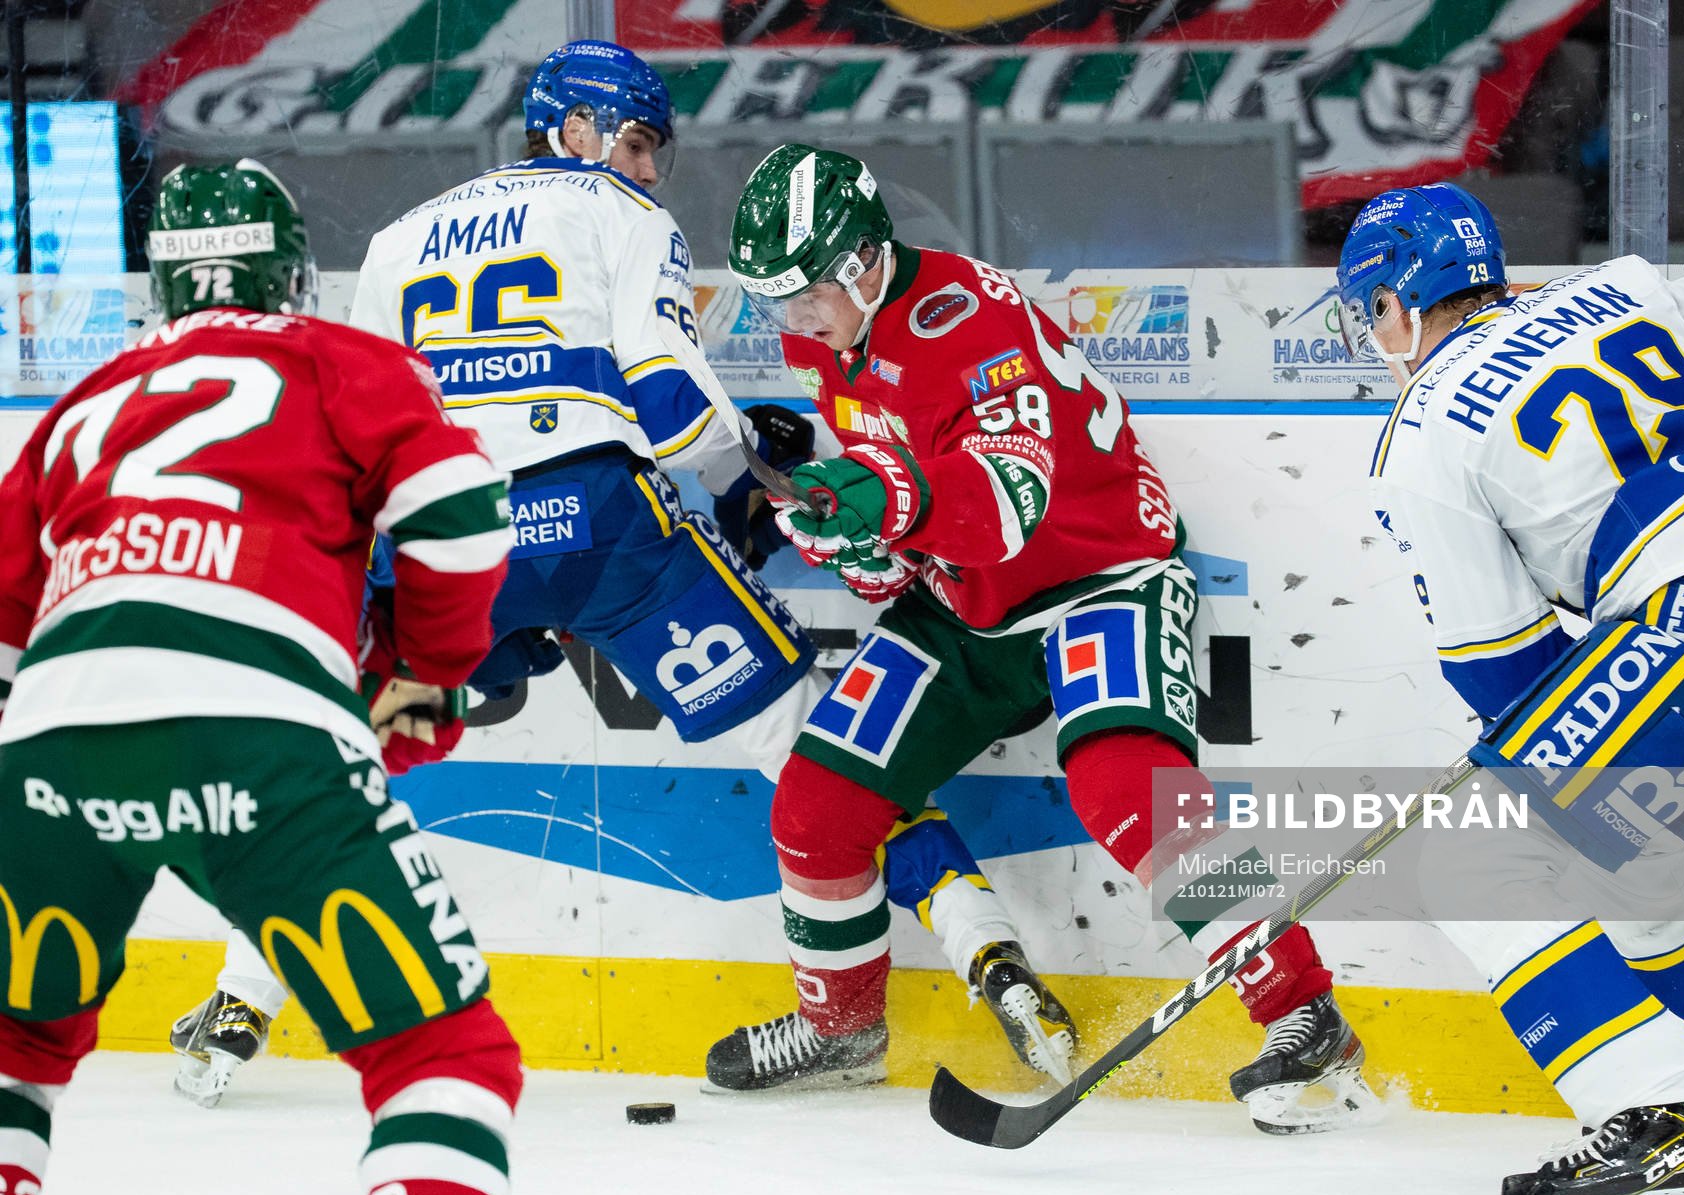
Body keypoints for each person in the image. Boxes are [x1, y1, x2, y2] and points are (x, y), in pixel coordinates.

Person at [169, 41, 1077, 1105]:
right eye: (639, 144)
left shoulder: (396, 236)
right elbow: (674, 404)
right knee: (816, 748)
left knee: (359, 754)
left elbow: (362, 430)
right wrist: (755, 470)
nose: (649, 170)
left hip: (454, 548)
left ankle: (240, 999)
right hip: (604, 534)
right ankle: (991, 957)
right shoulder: (625, 215)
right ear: (578, 131)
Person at [701, 144, 1377, 1132]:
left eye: (801, 294)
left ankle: (1304, 1013)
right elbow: (909, 527)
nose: (790, 322)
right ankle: (842, 1027)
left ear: (859, 262)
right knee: (817, 801)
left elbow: (1008, 502)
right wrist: (849, 534)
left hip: (1101, 574)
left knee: (1128, 790)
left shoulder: (966, 315)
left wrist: (884, 499)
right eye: (773, 301)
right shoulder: (826, 342)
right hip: (967, 601)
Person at [0, 160, 522, 1195]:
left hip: (50, 731)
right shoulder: (343, 361)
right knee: (441, 1048)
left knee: (13, 1046)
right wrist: (429, 672)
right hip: (264, 725)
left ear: (163, 285)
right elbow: (465, 515)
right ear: (295, 275)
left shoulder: (84, 404)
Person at [1339, 182, 1684, 1195]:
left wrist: (1592, 677)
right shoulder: (1620, 290)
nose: (1373, 337)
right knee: (1620, 839)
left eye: (1370, 313)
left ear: (1398, 304)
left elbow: (1505, 671)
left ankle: (1645, 1142)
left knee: (1476, 861)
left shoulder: (1425, 428)